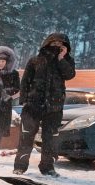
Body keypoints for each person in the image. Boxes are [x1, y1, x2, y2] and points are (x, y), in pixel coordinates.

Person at [13, 33, 76, 177]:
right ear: (47, 43)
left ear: (65, 46)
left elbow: (70, 75)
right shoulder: (35, 60)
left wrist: (61, 59)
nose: (57, 45)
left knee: (51, 138)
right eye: (54, 42)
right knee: (26, 136)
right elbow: (25, 82)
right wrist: (25, 100)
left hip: (54, 107)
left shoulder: (66, 61)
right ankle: (20, 166)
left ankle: (48, 168)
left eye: (61, 43)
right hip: (32, 106)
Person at [0, 45, 21, 148]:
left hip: (4, 107)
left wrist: (3, 92)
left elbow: (16, 88)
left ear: (7, 62)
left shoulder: (13, 73)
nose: (0, 63)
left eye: (3, 61)